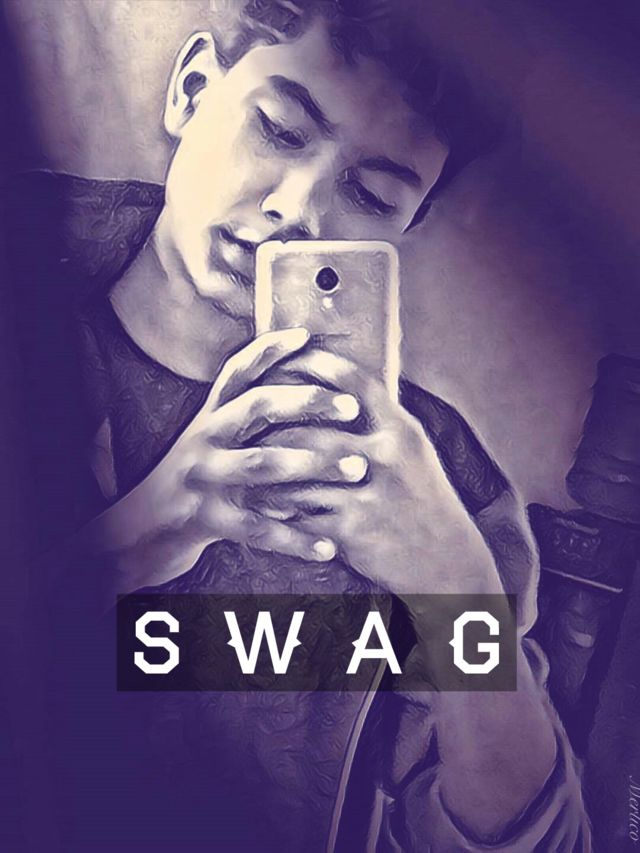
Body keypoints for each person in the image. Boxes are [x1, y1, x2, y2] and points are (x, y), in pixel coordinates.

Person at [2, 1, 591, 850]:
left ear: (403, 230)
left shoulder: (426, 474)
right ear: (193, 90)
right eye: (279, 130)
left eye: (371, 195)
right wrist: (135, 540)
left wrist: (454, 584)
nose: (299, 208)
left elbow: (539, 839)